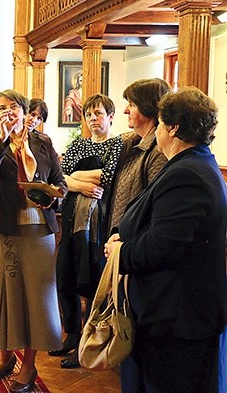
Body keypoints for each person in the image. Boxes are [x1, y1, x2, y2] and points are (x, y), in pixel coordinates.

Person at [104, 87, 227, 393]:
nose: (157, 128)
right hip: (170, 312)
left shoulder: (188, 173)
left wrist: (121, 250)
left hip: (177, 318)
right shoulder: (188, 165)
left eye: (159, 122)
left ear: (173, 127)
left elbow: (164, 245)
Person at [0, 90, 67, 393]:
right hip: (2, 229)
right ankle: (4, 358)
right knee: (3, 294)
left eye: (14, 107)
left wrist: (51, 198)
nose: (9, 112)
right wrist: (2, 137)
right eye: (2, 108)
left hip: (38, 229)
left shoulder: (43, 143)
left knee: (35, 299)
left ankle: (29, 364)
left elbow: (60, 182)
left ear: (25, 112)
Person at [52, 94, 123, 369]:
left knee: (91, 279)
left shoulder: (116, 144)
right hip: (71, 216)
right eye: (89, 115)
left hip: (97, 221)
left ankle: (88, 343)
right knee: (64, 276)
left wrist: (74, 178)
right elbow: (61, 175)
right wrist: (80, 184)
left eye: (99, 114)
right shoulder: (79, 143)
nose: (94, 119)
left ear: (110, 117)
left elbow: (107, 177)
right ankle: (71, 335)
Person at [106, 78, 171, 234]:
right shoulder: (128, 144)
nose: (125, 110)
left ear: (148, 108)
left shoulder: (159, 152)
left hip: (134, 247)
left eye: (132, 105)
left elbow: (154, 211)